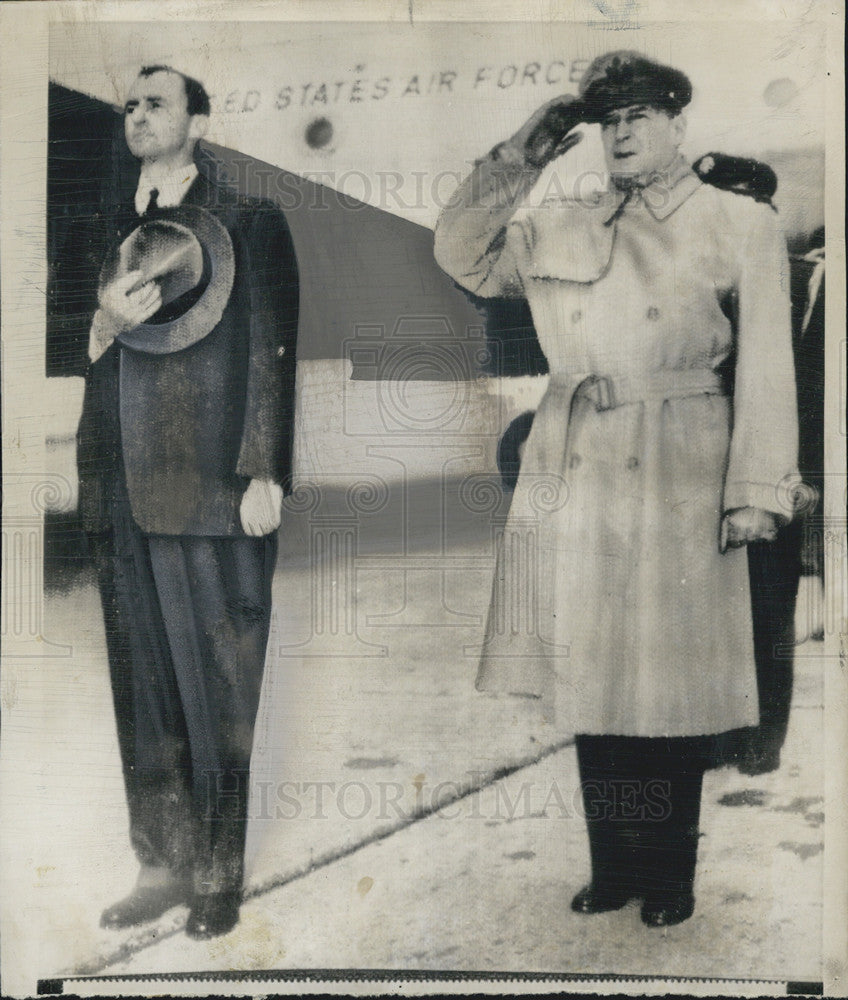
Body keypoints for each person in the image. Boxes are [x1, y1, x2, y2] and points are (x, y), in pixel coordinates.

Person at [434, 51, 798, 927]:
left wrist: (755, 487)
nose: (623, 131)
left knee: (667, 686)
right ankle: (617, 865)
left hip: (681, 460)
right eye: (608, 119)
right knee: (593, 678)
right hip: (582, 460)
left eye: (641, 113)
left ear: (678, 123)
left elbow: (770, 369)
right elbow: (458, 250)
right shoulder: (565, 220)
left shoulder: (736, 221)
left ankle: (670, 875)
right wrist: (528, 151)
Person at [70, 65, 299, 938]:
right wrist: (100, 325)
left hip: (211, 490)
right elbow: (69, 338)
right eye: (127, 104)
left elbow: (274, 348)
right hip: (118, 489)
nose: (135, 114)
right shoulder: (98, 225)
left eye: (154, 101)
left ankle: (215, 873)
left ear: (199, 120)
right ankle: (159, 865)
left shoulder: (249, 220)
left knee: (217, 691)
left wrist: (265, 472)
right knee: (143, 690)